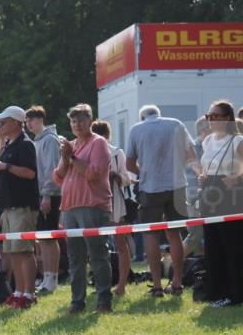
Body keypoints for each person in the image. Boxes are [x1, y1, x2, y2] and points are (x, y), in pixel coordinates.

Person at [125, 104, 196, 298]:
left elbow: (129, 164)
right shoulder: (176, 124)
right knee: (175, 234)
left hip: (151, 188)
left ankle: (156, 285)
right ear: (159, 114)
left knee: (151, 236)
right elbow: (191, 154)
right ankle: (177, 282)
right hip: (177, 185)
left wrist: (144, 173)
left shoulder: (136, 129)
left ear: (142, 117)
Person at [53, 104, 113, 314]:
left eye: (80, 120)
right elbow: (58, 177)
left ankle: (104, 300)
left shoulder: (98, 143)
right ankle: (77, 301)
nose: (76, 124)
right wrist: (65, 158)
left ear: (90, 121)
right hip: (70, 207)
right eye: (73, 121)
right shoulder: (70, 145)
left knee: (97, 254)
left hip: (92, 205)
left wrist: (72, 158)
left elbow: (94, 174)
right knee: (75, 257)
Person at [0, 106, 40, 308]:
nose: (0, 125)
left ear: (17, 123)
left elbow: (30, 173)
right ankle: (18, 291)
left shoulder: (25, 145)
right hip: (8, 207)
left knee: (24, 250)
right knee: (13, 251)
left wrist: (5, 166)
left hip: (22, 205)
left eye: (4, 121)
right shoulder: (8, 145)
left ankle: (29, 293)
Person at [198, 100, 243, 307]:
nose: (211, 120)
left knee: (231, 245)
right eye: (209, 116)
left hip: (230, 195)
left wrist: (237, 177)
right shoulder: (207, 141)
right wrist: (202, 176)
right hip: (210, 193)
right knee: (212, 244)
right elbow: (206, 166)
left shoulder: (237, 140)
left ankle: (234, 293)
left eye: (215, 116)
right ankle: (216, 292)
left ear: (227, 118)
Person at [24, 106, 63, 293]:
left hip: (50, 194)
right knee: (44, 238)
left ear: (40, 119)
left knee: (49, 238)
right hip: (40, 194)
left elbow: (51, 169)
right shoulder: (37, 141)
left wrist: (47, 195)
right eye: (26, 121)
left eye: (31, 119)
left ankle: (52, 279)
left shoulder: (50, 140)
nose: (28, 124)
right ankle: (47, 277)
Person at [91, 121, 133, 296]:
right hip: (94, 202)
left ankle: (122, 284)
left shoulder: (116, 153)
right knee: (97, 246)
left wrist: (115, 176)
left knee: (120, 243)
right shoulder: (88, 151)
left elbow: (127, 178)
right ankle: (101, 283)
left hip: (115, 203)